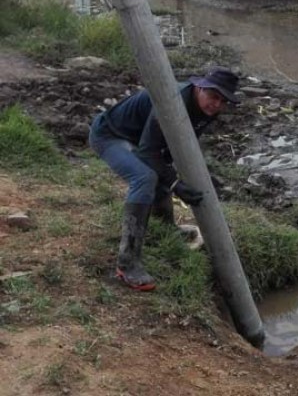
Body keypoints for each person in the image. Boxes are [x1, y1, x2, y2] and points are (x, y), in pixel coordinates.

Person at [88, 67, 240, 291]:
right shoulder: (173, 104)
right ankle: (127, 263)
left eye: (222, 100)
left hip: (138, 138)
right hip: (110, 135)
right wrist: (176, 184)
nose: (216, 104)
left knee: (162, 170)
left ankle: (167, 228)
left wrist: (188, 177)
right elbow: (148, 152)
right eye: (213, 96)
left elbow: (178, 145)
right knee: (145, 176)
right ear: (200, 87)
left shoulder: (207, 109)